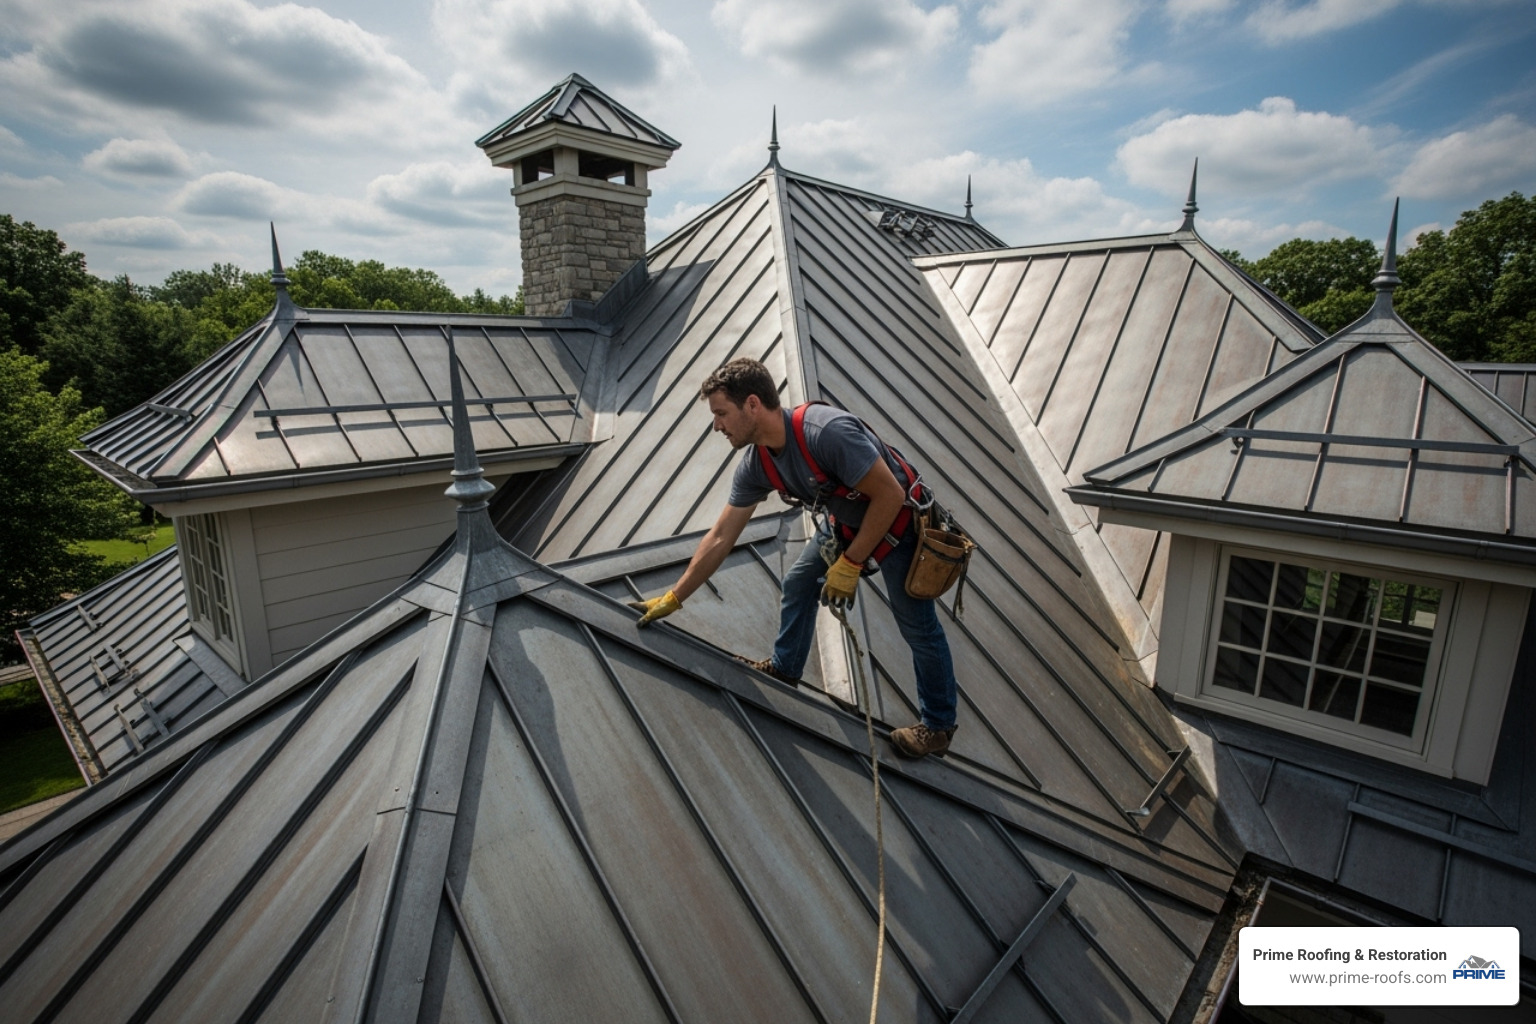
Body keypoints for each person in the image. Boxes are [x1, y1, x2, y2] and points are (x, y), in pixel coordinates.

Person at [627, 357, 960, 758]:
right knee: (800, 582)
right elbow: (720, 537)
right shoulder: (758, 462)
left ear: (752, 404)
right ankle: (786, 668)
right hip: (845, 527)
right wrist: (675, 597)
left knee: (918, 630)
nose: (716, 426)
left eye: (721, 414)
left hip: (900, 526)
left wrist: (851, 564)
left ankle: (938, 727)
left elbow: (889, 495)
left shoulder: (825, 433)